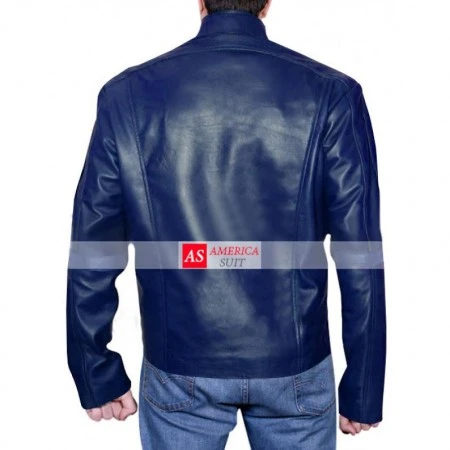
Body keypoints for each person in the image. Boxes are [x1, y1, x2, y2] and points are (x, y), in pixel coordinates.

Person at [66, 0, 387, 448]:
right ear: (267, 3)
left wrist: (95, 368)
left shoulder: (126, 96)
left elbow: (94, 244)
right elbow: (360, 253)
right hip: (295, 364)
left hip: (178, 364)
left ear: (200, 1)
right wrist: (364, 386)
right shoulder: (333, 94)